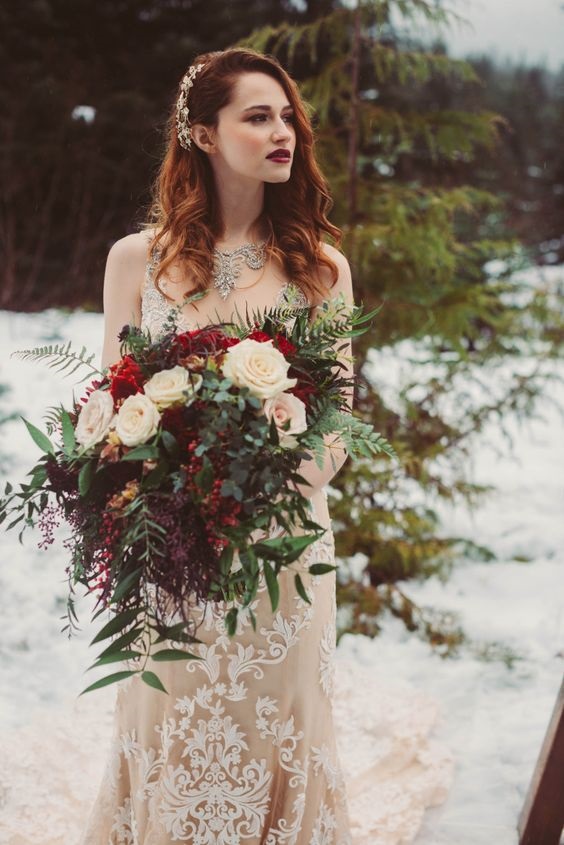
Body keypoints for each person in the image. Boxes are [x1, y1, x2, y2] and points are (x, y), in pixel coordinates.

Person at [82, 46, 354, 844]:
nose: (284, 134)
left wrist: (262, 466)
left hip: (286, 549)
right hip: (172, 551)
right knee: (171, 716)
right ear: (202, 133)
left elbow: (336, 423)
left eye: (288, 118)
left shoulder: (319, 269)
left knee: (282, 722)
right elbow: (113, 407)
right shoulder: (140, 261)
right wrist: (158, 469)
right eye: (258, 116)